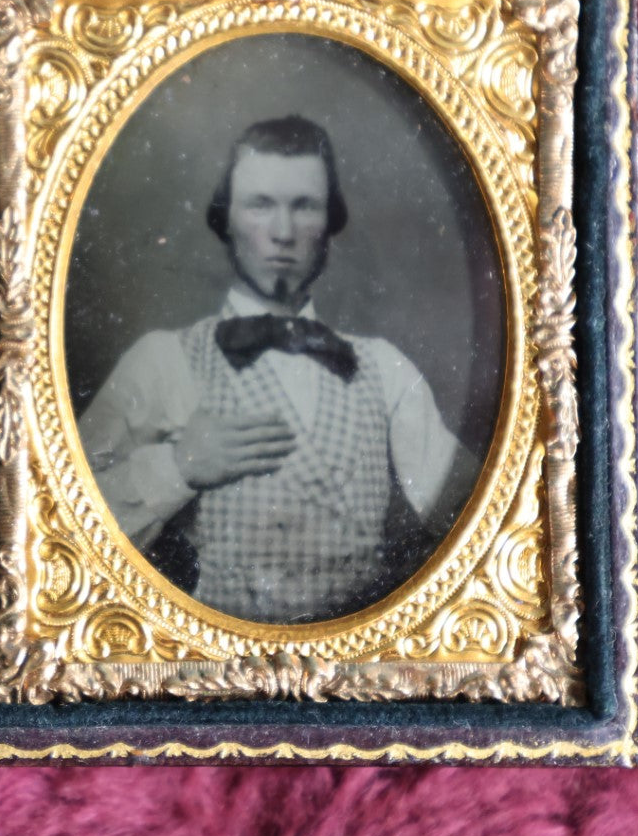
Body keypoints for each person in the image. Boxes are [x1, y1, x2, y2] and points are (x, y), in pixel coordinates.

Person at [76, 115, 476, 624]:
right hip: (219, 677)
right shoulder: (163, 360)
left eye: (304, 206)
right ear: (227, 218)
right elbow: (63, 529)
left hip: (355, 674)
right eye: (260, 205)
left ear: (329, 221)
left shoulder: (384, 367)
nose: (283, 233)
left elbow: (474, 521)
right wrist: (176, 466)